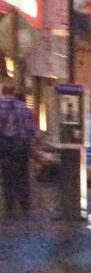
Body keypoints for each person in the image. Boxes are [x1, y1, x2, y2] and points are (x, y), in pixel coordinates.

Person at [0, 87, 38, 216]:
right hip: (22, 146)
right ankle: (24, 202)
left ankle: (9, 203)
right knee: (23, 173)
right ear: (13, 93)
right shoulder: (24, 108)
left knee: (7, 175)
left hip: (6, 146)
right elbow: (32, 129)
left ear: (3, 93)